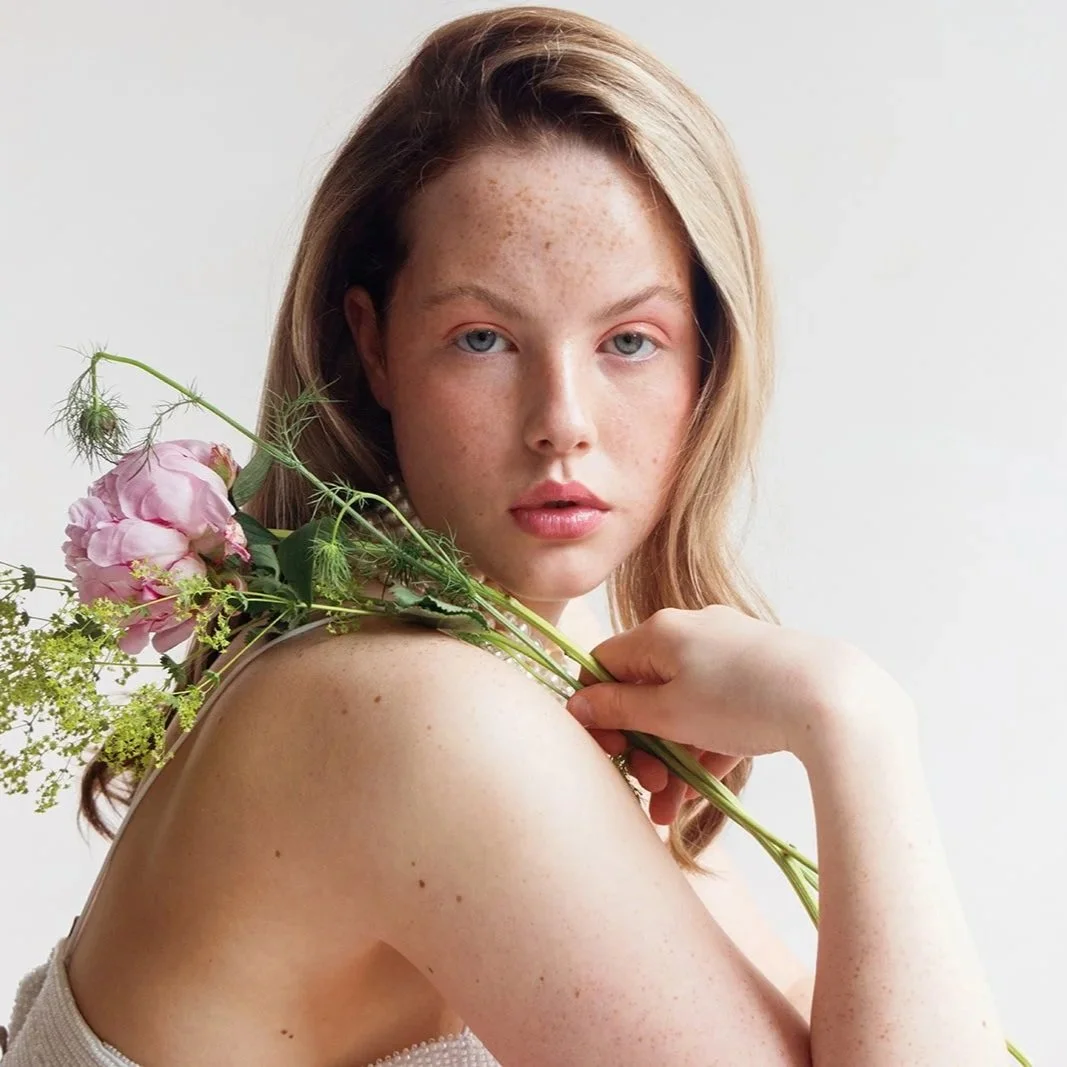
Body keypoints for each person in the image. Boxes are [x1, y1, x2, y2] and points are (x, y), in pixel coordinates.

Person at [2, 6, 1009, 1065]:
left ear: (704, 363)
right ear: (374, 346)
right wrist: (853, 723)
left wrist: (842, 722)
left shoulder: (530, 708)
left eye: (629, 339)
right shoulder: (409, 711)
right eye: (481, 337)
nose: (560, 417)